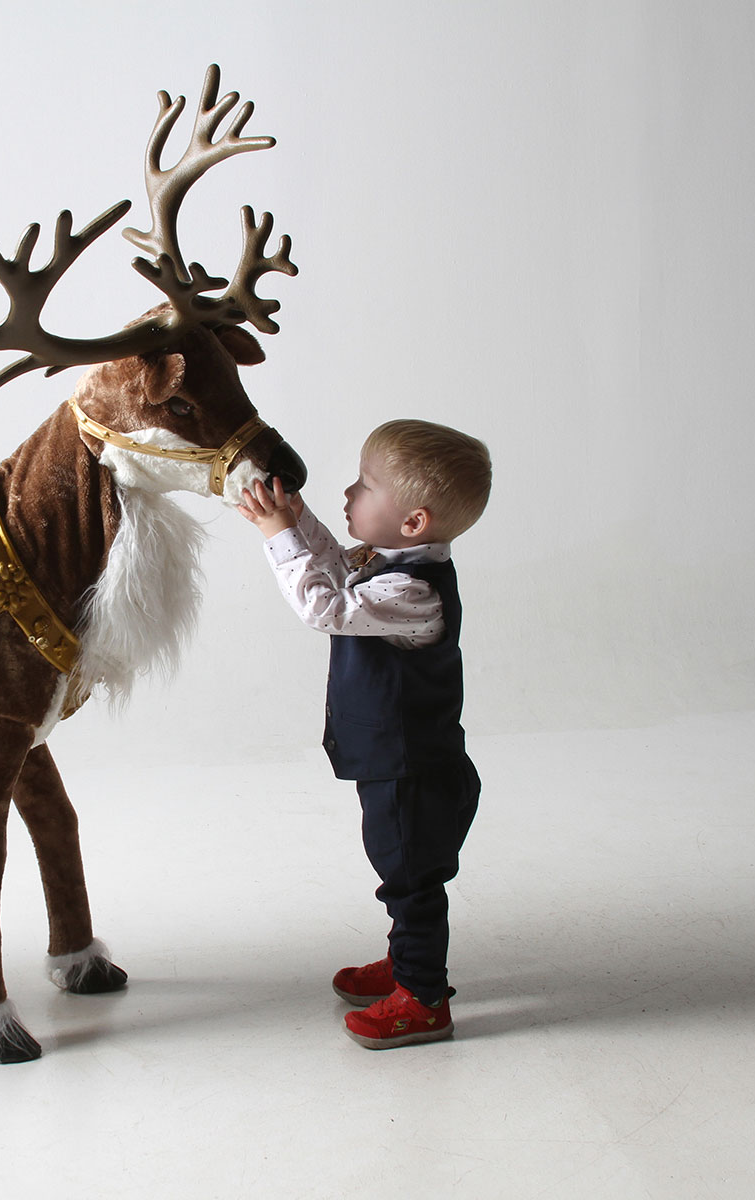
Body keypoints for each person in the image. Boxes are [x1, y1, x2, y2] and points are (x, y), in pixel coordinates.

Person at [238, 418, 491, 1049]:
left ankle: (424, 998)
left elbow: (324, 605)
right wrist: (296, 521)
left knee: (410, 879)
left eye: (364, 485)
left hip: (412, 766)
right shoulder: (387, 562)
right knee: (399, 867)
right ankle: (407, 965)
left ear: (413, 523)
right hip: (393, 757)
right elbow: (332, 569)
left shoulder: (412, 590)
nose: (348, 494)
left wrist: (276, 537)